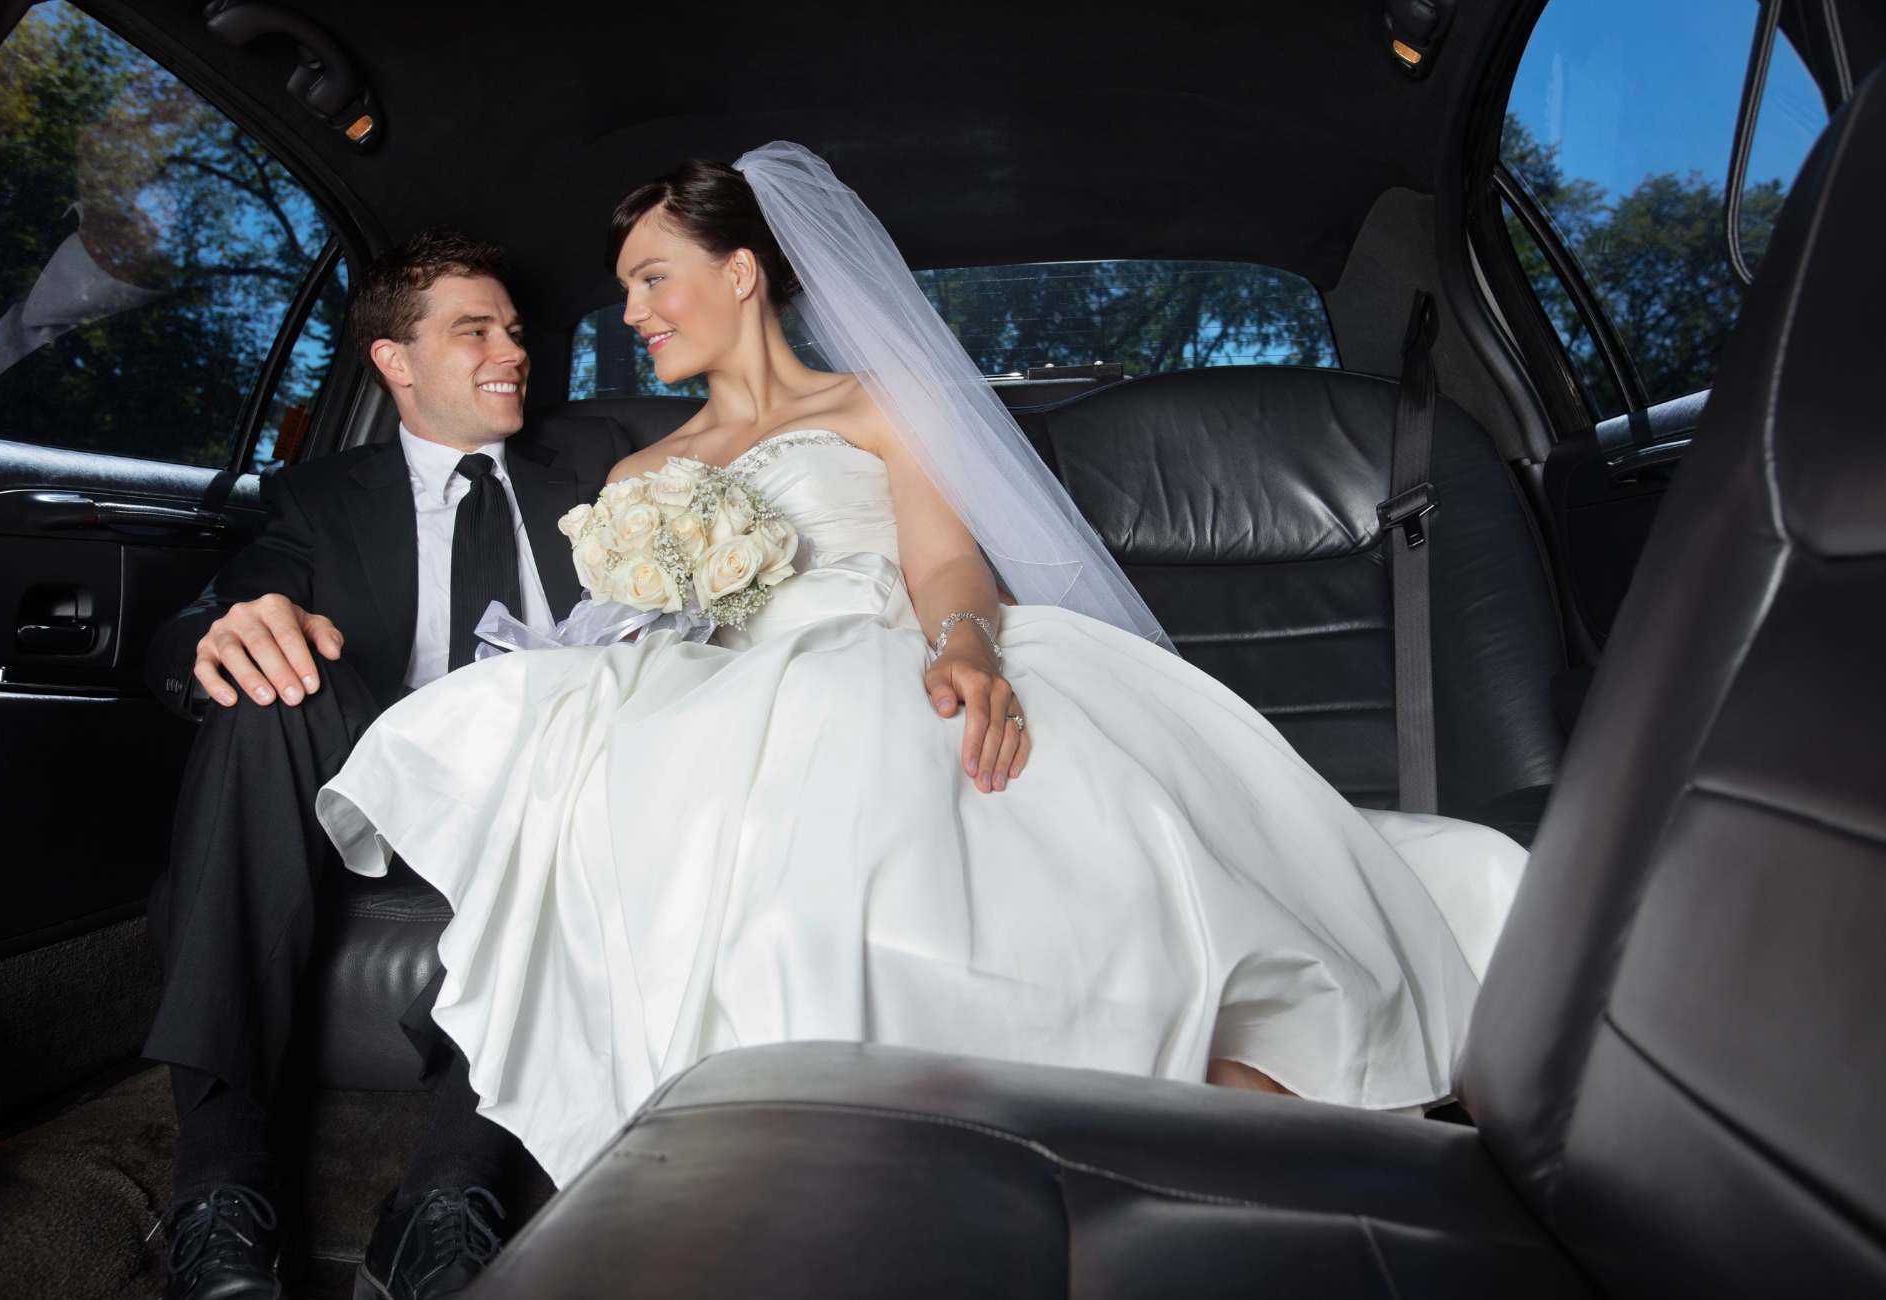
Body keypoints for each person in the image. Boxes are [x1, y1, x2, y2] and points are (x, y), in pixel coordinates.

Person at [317, 145, 1529, 1190]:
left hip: (889, 655)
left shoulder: (875, 407)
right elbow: (626, 624)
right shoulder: (639, 480)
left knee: (932, 799)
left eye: (650, 278)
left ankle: (1245, 1124)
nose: (632, 311)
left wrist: (965, 646)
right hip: (722, 698)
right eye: (625, 290)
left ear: (740, 273)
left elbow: (949, 564)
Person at [142, 230, 594, 1300]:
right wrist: (218, 639)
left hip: (552, 784)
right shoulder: (317, 497)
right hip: (368, 779)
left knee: (603, 751)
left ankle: (448, 1193)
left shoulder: (597, 476)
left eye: (517, 332)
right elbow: (214, 612)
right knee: (269, 678)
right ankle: (218, 1183)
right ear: (394, 359)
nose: (512, 351)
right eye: (474, 329)